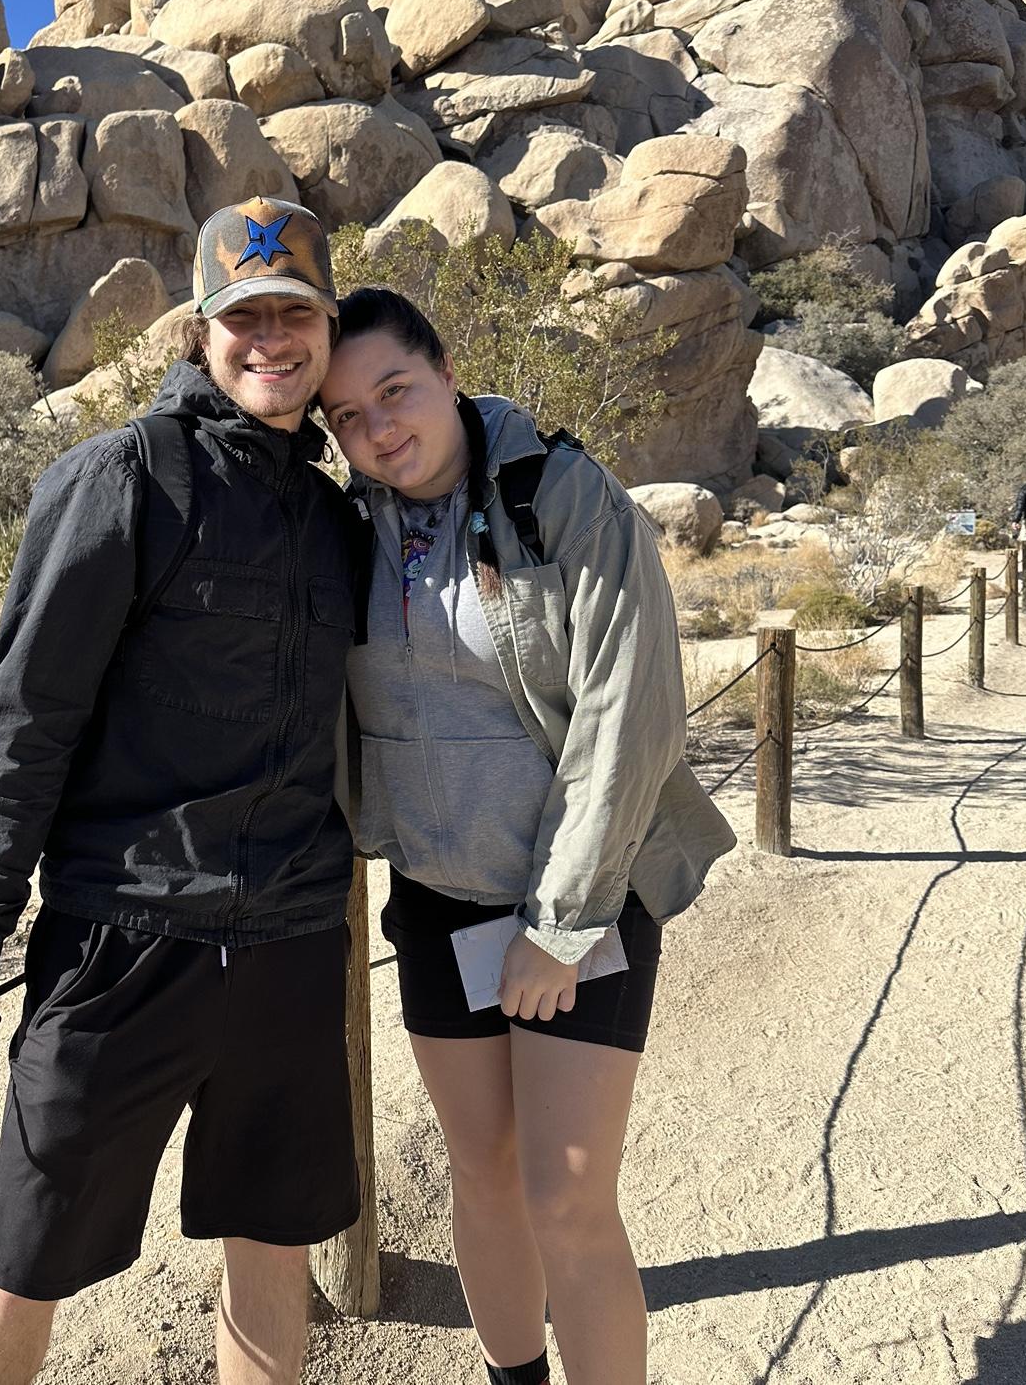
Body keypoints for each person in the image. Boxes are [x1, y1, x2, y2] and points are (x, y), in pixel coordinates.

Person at [0, 197, 364, 1385]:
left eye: (296, 314)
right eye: (244, 317)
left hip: (291, 939)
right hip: (122, 940)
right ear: (201, 332)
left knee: (273, 1240)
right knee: (25, 1252)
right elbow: (25, 717)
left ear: (328, 329)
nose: (272, 340)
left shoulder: (336, 518)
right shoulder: (121, 478)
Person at [319, 288, 736, 1385]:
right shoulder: (346, 527)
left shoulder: (563, 497)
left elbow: (627, 718)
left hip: (583, 901)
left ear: (448, 373)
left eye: (396, 392)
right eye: (349, 416)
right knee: (485, 1177)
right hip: (438, 899)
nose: (379, 429)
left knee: (566, 1199)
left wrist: (555, 927)